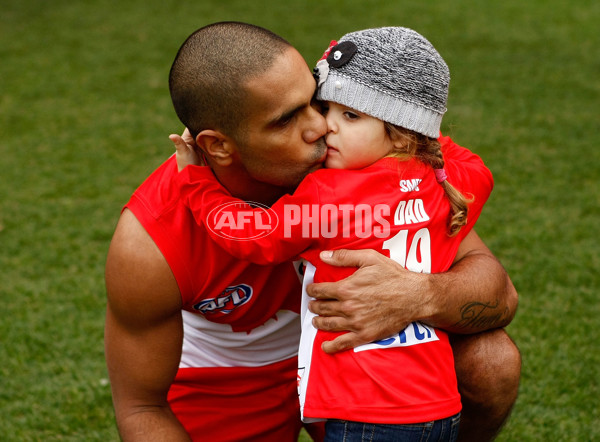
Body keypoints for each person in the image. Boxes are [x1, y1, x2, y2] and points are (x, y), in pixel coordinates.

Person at [104, 21, 520, 442]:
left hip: (359, 364)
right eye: (286, 120)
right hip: (234, 383)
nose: (320, 127)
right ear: (219, 146)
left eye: (316, 101)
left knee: (492, 360)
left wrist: (420, 294)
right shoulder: (151, 238)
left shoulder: (361, 156)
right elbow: (141, 406)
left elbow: (500, 296)